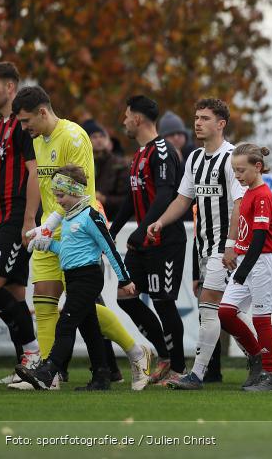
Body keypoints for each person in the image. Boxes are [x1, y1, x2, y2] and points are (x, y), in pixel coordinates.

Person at [14, 85, 149, 391]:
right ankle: (50, 376)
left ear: (43, 112)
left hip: (75, 233)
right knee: (46, 301)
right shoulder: (38, 140)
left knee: (79, 309)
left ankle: (133, 349)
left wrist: (55, 227)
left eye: (25, 121)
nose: (24, 128)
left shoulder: (74, 137)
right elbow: (41, 182)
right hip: (50, 231)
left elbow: (81, 193)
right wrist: (37, 224)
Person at [145, 98, 244, 390]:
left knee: (209, 306)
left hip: (224, 248)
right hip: (203, 246)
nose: (197, 123)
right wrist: (161, 221)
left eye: (204, 118)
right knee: (228, 311)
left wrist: (230, 244)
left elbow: (239, 204)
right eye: (196, 117)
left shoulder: (232, 157)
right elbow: (183, 199)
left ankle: (197, 374)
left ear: (221, 124)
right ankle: (262, 363)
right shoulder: (195, 159)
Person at [18, 165, 137, 390]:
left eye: (60, 195)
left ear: (74, 190)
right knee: (90, 328)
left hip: (88, 277)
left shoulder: (90, 216)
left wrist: (124, 279)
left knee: (66, 323)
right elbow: (68, 251)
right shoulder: (70, 218)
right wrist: (49, 244)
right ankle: (102, 376)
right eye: (55, 196)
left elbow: (110, 248)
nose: (58, 201)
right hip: (73, 278)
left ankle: (49, 370)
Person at [110, 95, 188, 385]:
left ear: (138, 118)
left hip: (165, 241)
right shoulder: (139, 154)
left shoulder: (164, 151)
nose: (124, 121)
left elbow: (165, 195)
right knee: (126, 296)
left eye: (127, 115)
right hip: (142, 242)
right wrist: (114, 228)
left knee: (163, 303)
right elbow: (133, 199)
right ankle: (165, 354)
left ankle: (178, 368)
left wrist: (142, 230)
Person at [0, 62, 42, 380]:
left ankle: (33, 353)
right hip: (0, 218)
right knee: (15, 292)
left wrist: (27, 219)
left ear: (10, 88)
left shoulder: (22, 127)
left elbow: (34, 171)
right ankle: (25, 366)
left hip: (15, 217)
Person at [218, 144, 272, 392]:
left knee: (261, 319)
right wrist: (235, 249)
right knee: (225, 312)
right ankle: (257, 356)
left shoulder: (263, 195)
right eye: (235, 170)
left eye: (241, 170)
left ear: (258, 167)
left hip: (262, 261)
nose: (237, 175)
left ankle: (271, 376)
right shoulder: (249, 192)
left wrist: (243, 268)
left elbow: (259, 237)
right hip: (248, 260)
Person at [81, 120, 130, 217]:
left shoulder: (119, 164)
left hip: (113, 218)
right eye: (94, 137)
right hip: (87, 218)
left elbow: (127, 199)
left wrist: (105, 199)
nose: (99, 140)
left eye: (101, 136)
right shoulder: (80, 163)